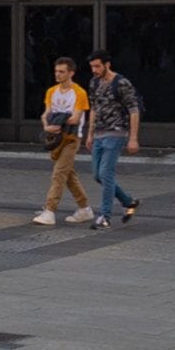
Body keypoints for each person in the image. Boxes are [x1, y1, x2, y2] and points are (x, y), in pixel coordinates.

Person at [82, 46, 142, 228]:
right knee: (97, 175)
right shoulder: (94, 82)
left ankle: (105, 215)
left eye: (98, 66)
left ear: (107, 64)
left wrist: (133, 138)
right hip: (99, 133)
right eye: (92, 67)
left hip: (116, 133)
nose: (94, 70)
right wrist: (89, 133)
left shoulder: (121, 83)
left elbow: (133, 110)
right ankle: (128, 202)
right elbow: (94, 108)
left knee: (106, 173)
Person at [33, 56, 90, 225]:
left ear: (71, 73)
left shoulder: (79, 92)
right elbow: (46, 114)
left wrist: (56, 120)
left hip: (71, 138)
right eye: (56, 71)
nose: (58, 74)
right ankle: (84, 208)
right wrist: (47, 126)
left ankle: (50, 210)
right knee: (68, 174)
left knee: (58, 174)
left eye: (62, 72)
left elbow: (76, 118)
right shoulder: (51, 91)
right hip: (55, 138)